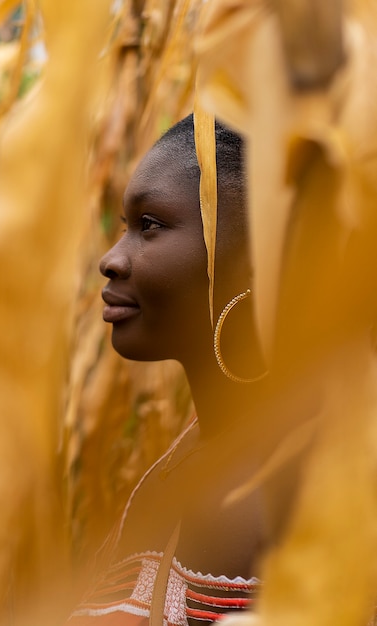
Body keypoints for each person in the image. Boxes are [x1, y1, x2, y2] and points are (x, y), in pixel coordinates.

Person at [68, 114, 316, 626]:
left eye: (150, 226)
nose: (111, 260)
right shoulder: (171, 467)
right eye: (124, 227)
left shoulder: (317, 471)